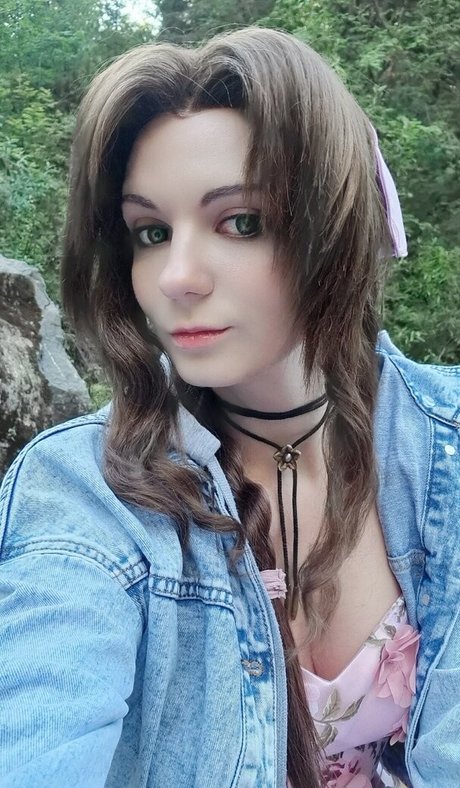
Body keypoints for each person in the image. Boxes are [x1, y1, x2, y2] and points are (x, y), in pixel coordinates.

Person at [0, 26, 458, 788]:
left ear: (335, 228)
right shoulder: (86, 490)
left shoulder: (444, 446)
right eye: (150, 232)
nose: (175, 276)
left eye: (241, 221)